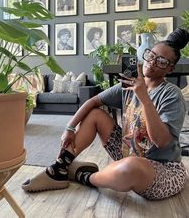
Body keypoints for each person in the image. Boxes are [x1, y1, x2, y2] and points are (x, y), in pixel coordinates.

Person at [22, 28, 189, 201]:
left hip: (162, 167)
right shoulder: (129, 84)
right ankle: (59, 168)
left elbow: (161, 142)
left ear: (170, 69)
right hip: (129, 151)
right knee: (95, 114)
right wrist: (69, 128)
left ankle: (82, 176)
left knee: (130, 168)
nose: (152, 62)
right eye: (151, 55)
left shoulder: (171, 94)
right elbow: (92, 102)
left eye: (161, 61)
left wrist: (145, 99)